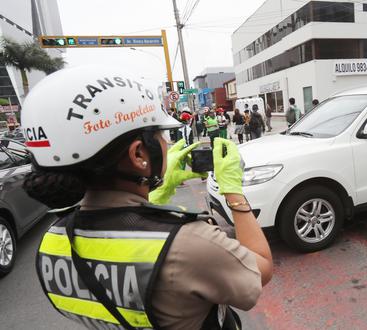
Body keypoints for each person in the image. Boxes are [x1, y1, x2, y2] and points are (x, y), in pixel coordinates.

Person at [22, 66, 273, 330]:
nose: (166, 143)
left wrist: (153, 196)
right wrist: (233, 191)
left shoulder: (52, 242)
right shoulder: (189, 244)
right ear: (139, 155)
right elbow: (260, 270)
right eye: (161, 135)